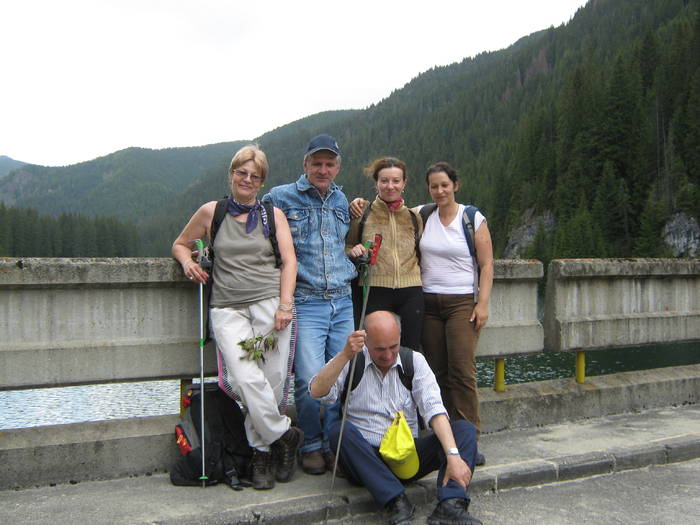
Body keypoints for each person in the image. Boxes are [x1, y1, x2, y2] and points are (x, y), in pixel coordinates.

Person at [172, 144, 303, 490]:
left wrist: (285, 305)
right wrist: (187, 262)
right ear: (231, 175)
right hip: (227, 308)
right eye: (241, 172)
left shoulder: (272, 215)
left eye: (254, 175)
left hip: (270, 304)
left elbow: (289, 261)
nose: (247, 179)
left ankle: (262, 455)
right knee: (245, 380)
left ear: (261, 182)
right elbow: (181, 244)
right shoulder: (210, 212)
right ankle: (284, 435)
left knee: (273, 382)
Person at [310, 311, 481, 525]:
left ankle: (451, 504)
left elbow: (434, 409)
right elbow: (317, 392)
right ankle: (395, 501)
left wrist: (453, 456)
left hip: (407, 457)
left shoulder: (414, 361)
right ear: (365, 341)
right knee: (339, 431)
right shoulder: (353, 359)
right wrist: (345, 354)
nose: (388, 355)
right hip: (366, 459)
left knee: (463, 430)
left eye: (393, 347)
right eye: (380, 349)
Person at [261, 134, 357, 475]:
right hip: (306, 301)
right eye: (317, 163)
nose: (323, 169)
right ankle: (312, 445)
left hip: (343, 301)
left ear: (337, 167)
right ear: (305, 165)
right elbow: (258, 238)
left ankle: (332, 443)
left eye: (330, 163)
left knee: (341, 374)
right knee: (308, 379)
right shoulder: (280, 198)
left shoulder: (342, 199)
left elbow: (338, 245)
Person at [419, 162, 494, 456]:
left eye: (444, 185)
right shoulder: (423, 214)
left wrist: (483, 303)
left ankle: (469, 440)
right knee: (437, 373)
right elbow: (391, 211)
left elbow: (487, 264)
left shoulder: (472, 217)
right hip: (427, 303)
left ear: (455, 186)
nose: (439, 191)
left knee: (461, 371)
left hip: (461, 302)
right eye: (434, 186)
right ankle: (445, 437)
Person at [346, 157, 424, 351]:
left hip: (411, 291)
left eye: (396, 181)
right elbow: (347, 246)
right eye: (384, 181)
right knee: (374, 351)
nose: (390, 186)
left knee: (410, 351)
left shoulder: (414, 217)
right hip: (373, 290)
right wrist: (353, 251)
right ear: (376, 183)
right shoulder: (362, 212)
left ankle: (406, 383)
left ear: (404, 183)